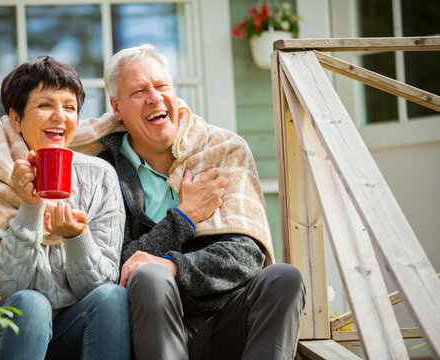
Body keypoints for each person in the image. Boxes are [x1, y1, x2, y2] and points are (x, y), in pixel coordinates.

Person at [71, 44, 306, 360]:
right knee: (149, 277)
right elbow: (116, 267)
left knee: (284, 278)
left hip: (229, 315)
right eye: (139, 91)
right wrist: (183, 218)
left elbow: (246, 256)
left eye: (161, 85)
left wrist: (172, 266)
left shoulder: (223, 150)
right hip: (151, 326)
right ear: (117, 108)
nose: (154, 97)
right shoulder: (104, 171)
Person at [0, 56, 130, 360]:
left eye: (70, 107)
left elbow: (99, 288)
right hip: (3, 331)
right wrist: (30, 209)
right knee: (32, 304)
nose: (60, 117)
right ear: (16, 118)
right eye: (45, 105)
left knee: (113, 298)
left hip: (68, 330)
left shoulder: (98, 177)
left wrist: (76, 238)